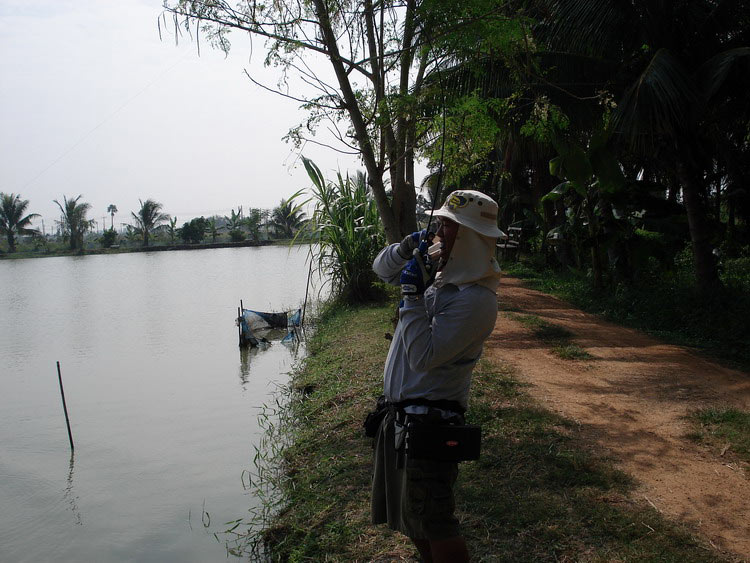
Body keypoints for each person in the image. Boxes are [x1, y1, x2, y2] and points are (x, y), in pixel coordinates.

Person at [370, 189, 503, 563]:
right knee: (412, 520)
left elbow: (424, 356)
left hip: (429, 424)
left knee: (435, 521)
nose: (438, 232)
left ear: (473, 238)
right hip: (400, 419)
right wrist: (404, 250)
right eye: (441, 223)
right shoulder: (441, 271)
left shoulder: (476, 299)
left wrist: (412, 296)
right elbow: (381, 270)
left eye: (448, 226)